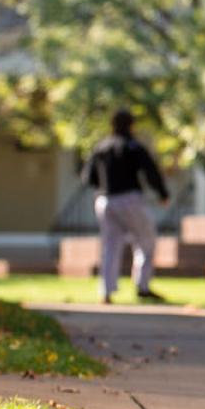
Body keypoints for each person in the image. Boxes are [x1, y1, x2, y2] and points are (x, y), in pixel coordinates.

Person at [81, 109, 171, 304]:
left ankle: (106, 290)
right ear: (132, 125)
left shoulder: (101, 147)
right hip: (129, 198)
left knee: (110, 245)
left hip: (104, 201)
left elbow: (88, 177)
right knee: (146, 240)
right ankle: (142, 285)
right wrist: (163, 194)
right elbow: (150, 171)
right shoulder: (132, 146)